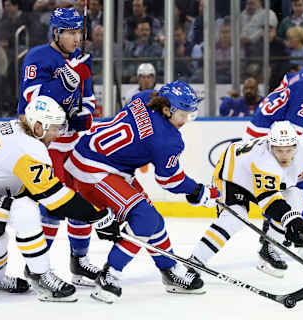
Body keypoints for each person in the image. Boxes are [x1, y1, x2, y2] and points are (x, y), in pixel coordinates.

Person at [0, 95, 116, 302]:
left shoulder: (14, 128)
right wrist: (97, 216)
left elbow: (25, 186)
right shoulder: (31, 148)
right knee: (24, 210)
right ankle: (41, 276)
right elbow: (55, 198)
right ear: (38, 127)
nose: (57, 133)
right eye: (54, 127)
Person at [64, 80, 221, 303]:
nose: (186, 120)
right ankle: (110, 275)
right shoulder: (168, 140)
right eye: (183, 114)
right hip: (93, 169)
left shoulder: (144, 97)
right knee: (145, 218)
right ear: (167, 109)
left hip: (94, 156)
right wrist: (198, 191)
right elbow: (170, 181)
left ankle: (169, 270)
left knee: (153, 219)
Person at [188, 121, 303, 279]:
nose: (284, 155)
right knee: (234, 218)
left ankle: (270, 250)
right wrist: (292, 221)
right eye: (279, 150)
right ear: (270, 146)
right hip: (232, 176)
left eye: (288, 150)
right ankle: (194, 262)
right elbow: (268, 202)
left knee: (295, 197)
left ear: (296, 146)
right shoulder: (264, 161)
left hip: (254, 177)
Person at [18, 7, 101, 287]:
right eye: (71, 32)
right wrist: (61, 83)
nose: (77, 38)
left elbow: (88, 100)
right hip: (46, 145)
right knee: (52, 205)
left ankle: (79, 261)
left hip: (74, 145)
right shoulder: (38, 57)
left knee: (83, 201)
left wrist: (84, 117)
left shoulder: (81, 62)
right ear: (56, 32)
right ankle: (38, 267)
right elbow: (31, 99)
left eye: (79, 32)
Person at [243, 48, 303, 275]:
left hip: (261, 132)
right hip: (266, 138)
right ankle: (285, 240)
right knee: (293, 185)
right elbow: (291, 133)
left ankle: (288, 233)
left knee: (294, 183)